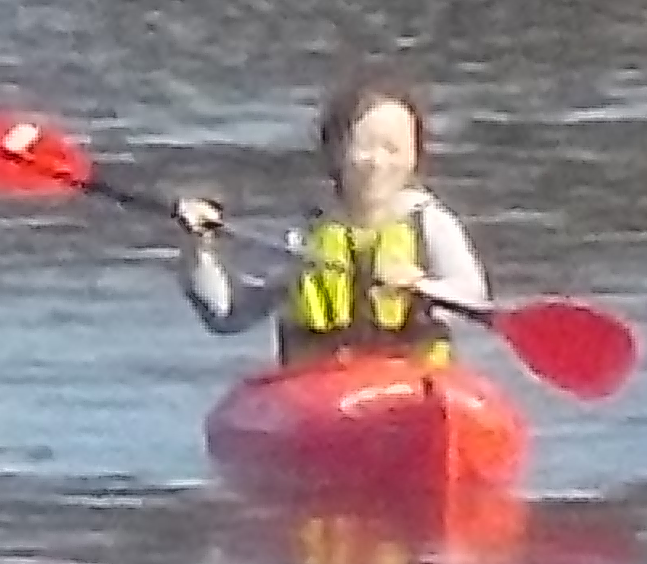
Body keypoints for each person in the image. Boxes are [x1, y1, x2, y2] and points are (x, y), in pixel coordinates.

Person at [173, 74, 490, 364]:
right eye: (364, 146)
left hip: (413, 384)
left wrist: (420, 284)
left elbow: (475, 303)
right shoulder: (304, 236)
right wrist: (197, 247)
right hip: (321, 392)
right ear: (335, 152)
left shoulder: (432, 225)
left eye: (393, 148)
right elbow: (228, 314)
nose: (377, 162)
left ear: (415, 155)